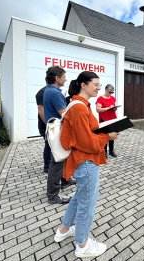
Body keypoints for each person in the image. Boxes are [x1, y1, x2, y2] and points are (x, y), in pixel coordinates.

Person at [53, 71, 118, 258]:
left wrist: (103, 131)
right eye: (95, 84)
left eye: (99, 84)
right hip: (85, 161)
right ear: (83, 85)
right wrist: (108, 136)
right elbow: (87, 142)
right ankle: (82, 245)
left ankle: (64, 230)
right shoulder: (80, 108)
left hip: (81, 160)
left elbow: (85, 133)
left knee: (78, 197)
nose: (99, 87)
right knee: (86, 203)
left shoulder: (79, 105)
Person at [43, 66, 75, 204]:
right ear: (57, 78)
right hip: (58, 131)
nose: (65, 79)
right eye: (64, 77)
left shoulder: (48, 90)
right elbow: (64, 114)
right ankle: (53, 196)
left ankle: (65, 180)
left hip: (54, 130)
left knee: (61, 160)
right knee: (56, 163)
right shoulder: (55, 93)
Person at [96, 84, 118, 158]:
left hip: (112, 119)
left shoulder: (112, 98)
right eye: (109, 92)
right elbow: (98, 109)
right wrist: (108, 108)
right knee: (104, 137)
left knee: (112, 136)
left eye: (112, 92)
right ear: (105, 90)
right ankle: (104, 152)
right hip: (104, 120)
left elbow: (114, 106)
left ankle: (111, 151)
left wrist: (114, 108)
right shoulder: (100, 99)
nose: (111, 94)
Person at [35, 83, 51, 174]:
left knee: (51, 145)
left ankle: (50, 164)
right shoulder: (42, 92)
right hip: (45, 125)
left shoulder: (50, 92)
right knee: (48, 145)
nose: (65, 79)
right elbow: (41, 110)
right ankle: (47, 167)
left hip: (49, 125)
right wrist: (48, 124)